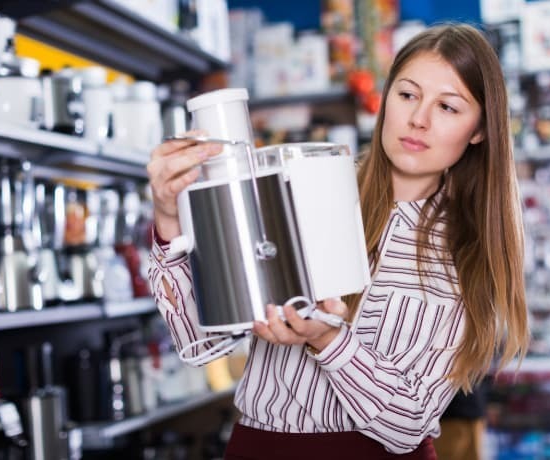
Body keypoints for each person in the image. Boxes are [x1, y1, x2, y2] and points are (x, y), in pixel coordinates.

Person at [146, 22, 529, 460]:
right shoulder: (298, 191)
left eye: (448, 107)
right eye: (407, 95)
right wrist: (168, 213)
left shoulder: (472, 252)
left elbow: (408, 427)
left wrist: (327, 341)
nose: (418, 119)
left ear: (479, 130)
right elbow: (202, 343)